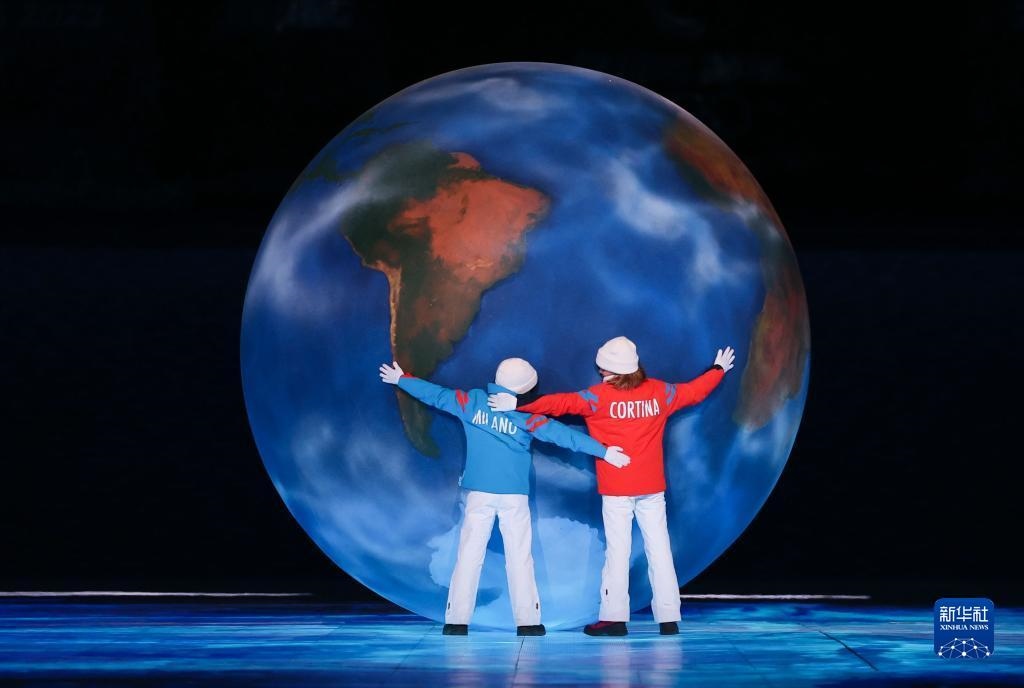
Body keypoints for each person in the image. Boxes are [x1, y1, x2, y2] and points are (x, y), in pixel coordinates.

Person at [489, 337, 735, 636]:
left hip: (617, 489)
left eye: (602, 366)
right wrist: (717, 370)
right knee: (660, 550)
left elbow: (558, 404)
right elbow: (695, 391)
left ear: (607, 369)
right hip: (652, 487)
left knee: (618, 552)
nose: (599, 370)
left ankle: (614, 619)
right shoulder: (661, 392)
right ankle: (669, 619)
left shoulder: (597, 398)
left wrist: (519, 404)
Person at [379, 357, 631, 636]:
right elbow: (561, 435)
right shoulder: (526, 415)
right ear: (526, 387)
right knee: (519, 557)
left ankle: (456, 622)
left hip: (478, 494)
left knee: (468, 555)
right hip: (514, 496)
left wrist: (402, 380)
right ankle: (528, 623)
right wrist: (604, 451)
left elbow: (437, 395)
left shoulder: (472, 402)